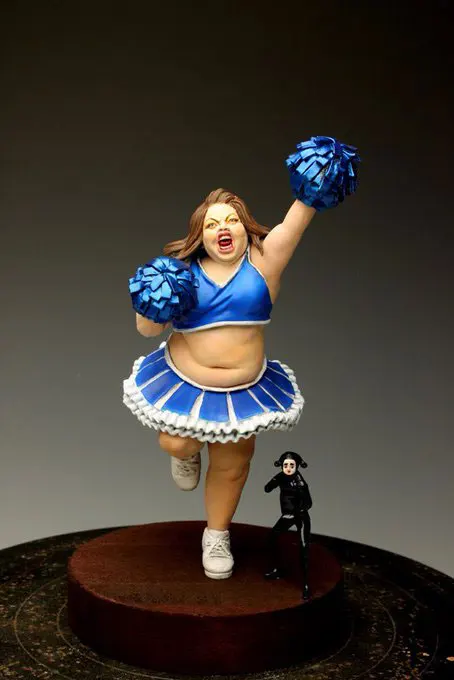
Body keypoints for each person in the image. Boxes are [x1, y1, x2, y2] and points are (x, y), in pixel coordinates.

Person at [123, 137, 359, 580]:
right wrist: (149, 304)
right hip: (184, 383)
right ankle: (185, 452)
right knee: (177, 441)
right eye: (213, 223)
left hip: (245, 390)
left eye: (232, 219)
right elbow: (148, 331)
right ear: (200, 234)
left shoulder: (265, 261)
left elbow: (299, 215)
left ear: (246, 227)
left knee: (232, 466)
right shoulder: (183, 274)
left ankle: (216, 534)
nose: (224, 227)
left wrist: (322, 172)